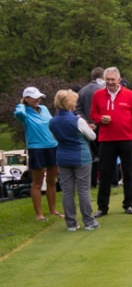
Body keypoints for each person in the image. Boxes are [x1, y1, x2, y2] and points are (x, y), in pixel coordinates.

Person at [89, 67, 132, 217]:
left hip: (127, 138)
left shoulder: (129, 95)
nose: (110, 82)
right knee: (105, 174)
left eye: (113, 79)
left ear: (119, 79)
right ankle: (102, 207)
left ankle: (128, 204)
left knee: (129, 172)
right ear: (104, 80)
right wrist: (100, 119)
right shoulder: (98, 95)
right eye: (108, 80)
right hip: (107, 139)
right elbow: (93, 114)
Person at [49, 89, 99, 231]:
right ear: (70, 103)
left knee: (67, 191)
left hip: (63, 157)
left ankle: (71, 224)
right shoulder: (78, 120)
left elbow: (56, 137)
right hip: (80, 157)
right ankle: (89, 222)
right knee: (83, 190)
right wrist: (90, 128)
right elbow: (92, 136)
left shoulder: (52, 121)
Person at [13, 86, 61, 221]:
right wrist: (22, 104)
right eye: (34, 98)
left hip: (52, 146)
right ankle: (39, 214)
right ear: (26, 99)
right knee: (37, 183)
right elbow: (19, 114)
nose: (38, 99)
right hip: (36, 149)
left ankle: (53, 210)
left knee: (52, 181)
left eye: (39, 97)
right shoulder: (24, 112)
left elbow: (51, 123)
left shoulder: (44, 109)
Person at [75, 66, 105, 186]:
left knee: (91, 155)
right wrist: (96, 122)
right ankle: (106, 180)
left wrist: (86, 122)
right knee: (105, 155)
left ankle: (92, 182)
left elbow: (78, 109)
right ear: (102, 77)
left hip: (87, 127)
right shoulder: (103, 90)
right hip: (102, 126)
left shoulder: (82, 91)